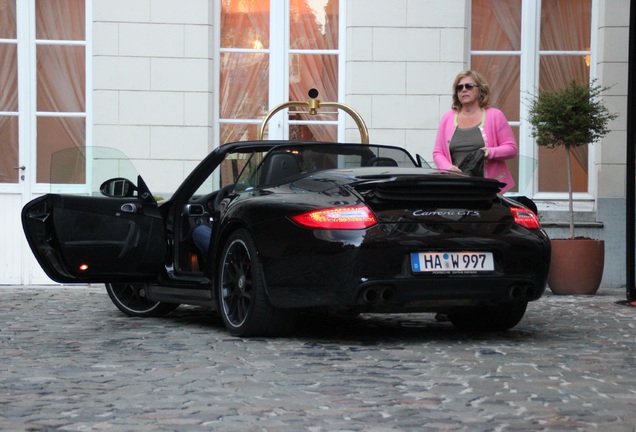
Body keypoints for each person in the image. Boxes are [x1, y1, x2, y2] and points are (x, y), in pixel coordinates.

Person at [433, 70, 517, 193]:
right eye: (459, 87)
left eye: (469, 86)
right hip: (456, 187)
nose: (464, 90)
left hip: (488, 189)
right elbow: (438, 152)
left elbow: (511, 149)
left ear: (480, 90)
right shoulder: (447, 118)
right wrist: (449, 169)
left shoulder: (495, 115)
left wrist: (490, 152)